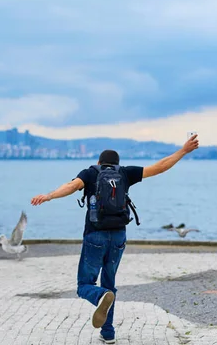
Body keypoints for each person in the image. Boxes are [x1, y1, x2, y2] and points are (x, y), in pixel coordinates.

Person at [30, 134, 199, 343]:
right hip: (118, 236)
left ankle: (100, 298)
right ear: (117, 164)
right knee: (109, 283)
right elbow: (160, 167)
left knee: (84, 285)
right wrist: (183, 150)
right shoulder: (126, 174)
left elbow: (72, 186)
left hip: (95, 235)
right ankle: (108, 333)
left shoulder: (91, 173)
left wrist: (49, 196)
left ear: (99, 163)